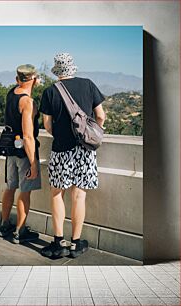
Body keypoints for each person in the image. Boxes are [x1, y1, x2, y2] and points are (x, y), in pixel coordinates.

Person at [39, 53, 106, 258]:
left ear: (57, 70)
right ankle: (76, 244)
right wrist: (89, 134)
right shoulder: (88, 85)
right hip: (85, 150)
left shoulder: (50, 91)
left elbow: (48, 125)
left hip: (61, 150)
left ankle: (59, 243)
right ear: (72, 68)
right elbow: (101, 116)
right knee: (79, 196)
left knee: (57, 194)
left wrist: (61, 135)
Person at [0, 64, 41, 244]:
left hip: (9, 149)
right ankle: (19, 231)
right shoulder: (27, 102)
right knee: (25, 192)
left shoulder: (11, 93)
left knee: (10, 187)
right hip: (23, 152)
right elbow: (28, 136)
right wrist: (33, 163)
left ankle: (4, 224)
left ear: (17, 79)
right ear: (34, 80)